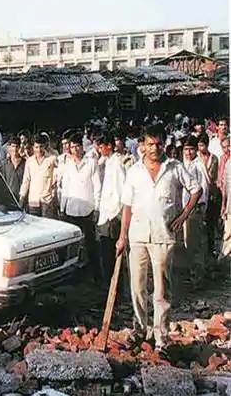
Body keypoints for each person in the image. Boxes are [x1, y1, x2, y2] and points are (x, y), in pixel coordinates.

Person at [116, 125, 201, 349]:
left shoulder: (174, 167)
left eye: (158, 143)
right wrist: (122, 237)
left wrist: (183, 216)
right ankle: (139, 329)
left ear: (165, 144)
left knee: (162, 289)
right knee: (137, 286)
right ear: (142, 146)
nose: (154, 148)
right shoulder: (134, 171)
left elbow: (196, 190)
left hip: (164, 236)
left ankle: (161, 337)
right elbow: (127, 206)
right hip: (137, 236)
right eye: (150, 144)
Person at [60, 132, 101, 280]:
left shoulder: (91, 163)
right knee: (72, 245)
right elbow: (65, 188)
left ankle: (96, 276)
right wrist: (62, 208)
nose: (75, 150)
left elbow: (97, 187)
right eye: (72, 147)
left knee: (91, 244)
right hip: (70, 210)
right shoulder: (68, 165)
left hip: (87, 210)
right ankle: (73, 275)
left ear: (82, 147)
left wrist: (96, 208)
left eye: (77, 146)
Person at [97, 132, 126, 282]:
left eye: (101, 146)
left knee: (112, 254)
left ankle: (116, 287)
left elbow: (121, 191)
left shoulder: (117, 163)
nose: (99, 149)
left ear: (109, 146)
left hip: (113, 215)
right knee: (105, 253)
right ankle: (109, 284)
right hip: (105, 214)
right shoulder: (106, 162)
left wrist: (116, 214)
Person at [181, 135, 209, 287]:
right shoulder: (184, 164)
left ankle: (198, 277)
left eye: (191, 149)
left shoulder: (198, 165)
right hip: (184, 209)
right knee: (187, 243)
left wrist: (200, 208)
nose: (188, 152)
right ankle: (191, 274)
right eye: (186, 149)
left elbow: (204, 188)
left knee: (194, 244)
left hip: (195, 209)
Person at [19, 134, 58, 218]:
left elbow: (57, 178)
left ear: (44, 146)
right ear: (33, 148)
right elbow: (26, 181)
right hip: (33, 200)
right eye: (36, 147)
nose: (39, 150)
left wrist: (53, 195)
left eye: (41, 147)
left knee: (46, 224)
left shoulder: (51, 159)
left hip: (47, 201)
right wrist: (22, 197)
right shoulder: (29, 161)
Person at [197, 134, 219, 254]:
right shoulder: (196, 159)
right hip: (198, 194)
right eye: (199, 145)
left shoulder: (214, 159)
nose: (200, 148)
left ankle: (210, 248)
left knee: (210, 221)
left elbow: (213, 177)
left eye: (202, 145)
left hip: (210, 193)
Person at [221, 156, 231, 261]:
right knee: (228, 233)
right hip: (230, 206)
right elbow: (225, 186)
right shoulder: (229, 163)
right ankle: (224, 258)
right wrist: (223, 204)